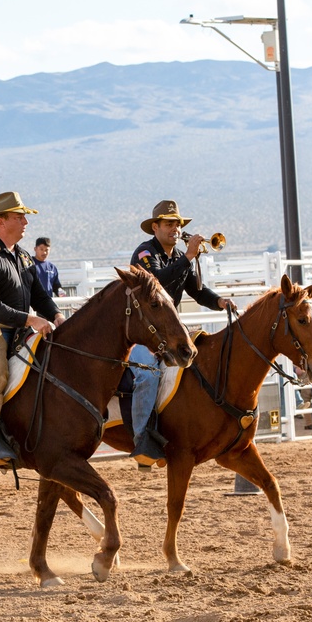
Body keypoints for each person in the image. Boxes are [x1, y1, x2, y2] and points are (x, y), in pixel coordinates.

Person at [0, 191, 65, 473]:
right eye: (20, 217)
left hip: (17, 326)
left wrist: (55, 314)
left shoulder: (23, 258)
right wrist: (32, 320)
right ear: (1, 221)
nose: (25, 223)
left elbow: (40, 295)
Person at [129, 200, 237, 467]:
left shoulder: (178, 257)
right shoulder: (144, 254)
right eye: (169, 224)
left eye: (177, 224)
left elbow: (197, 291)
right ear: (155, 227)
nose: (175, 229)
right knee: (146, 372)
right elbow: (157, 283)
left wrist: (219, 301)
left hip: (168, 330)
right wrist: (189, 257)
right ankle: (142, 439)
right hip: (143, 330)